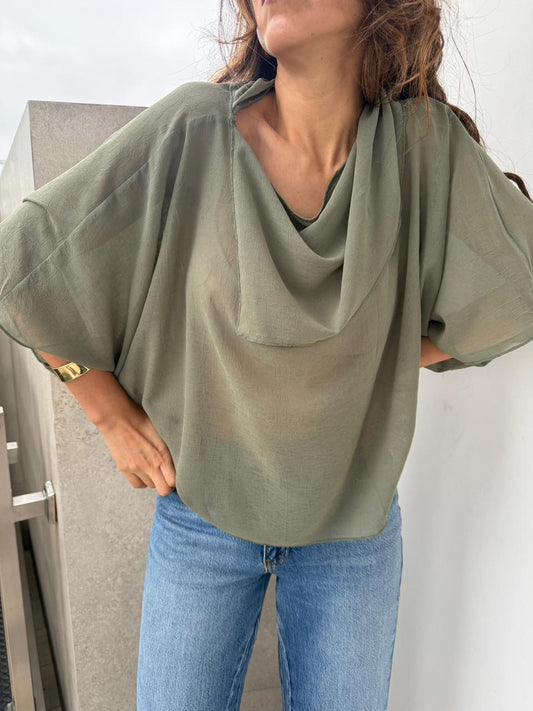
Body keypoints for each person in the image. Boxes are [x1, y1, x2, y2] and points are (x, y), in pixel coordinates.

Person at [1, 1, 532, 709]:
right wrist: (110, 416)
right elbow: (24, 268)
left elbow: (517, 291)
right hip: (201, 515)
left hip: (354, 528)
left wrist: (381, 352)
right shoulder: (193, 132)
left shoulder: (422, 151)